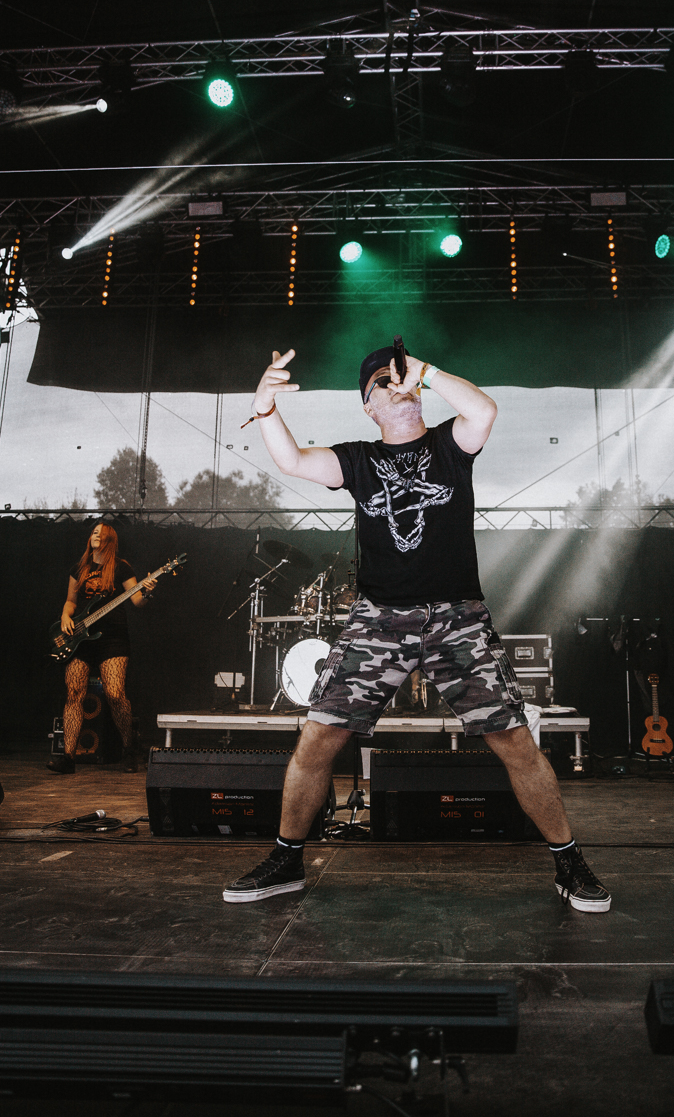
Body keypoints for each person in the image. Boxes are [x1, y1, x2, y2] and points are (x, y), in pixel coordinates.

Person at [222, 347, 611, 913]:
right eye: (382, 381)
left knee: (514, 741)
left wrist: (425, 371)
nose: (396, 383)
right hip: (380, 618)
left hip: (458, 618)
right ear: (368, 405)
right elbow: (292, 461)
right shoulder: (358, 460)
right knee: (318, 736)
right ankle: (286, 859)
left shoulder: (450, 445)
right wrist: (264, 408)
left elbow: (483, 410)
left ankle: (569, 862)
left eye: (402, 375)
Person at [47, 522, 156, 775]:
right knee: (74, 692)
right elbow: (71, 601)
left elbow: (137, 600)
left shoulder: (121, 567)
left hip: (113, 638)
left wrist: (148, 592)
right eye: (94, 532)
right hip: (80, 637)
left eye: (101, 533)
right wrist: (65, 616)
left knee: (115, 694)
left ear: (110, 539)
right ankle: (68, 758)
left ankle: (130, 749)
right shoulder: (79, 568)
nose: (96, 535)